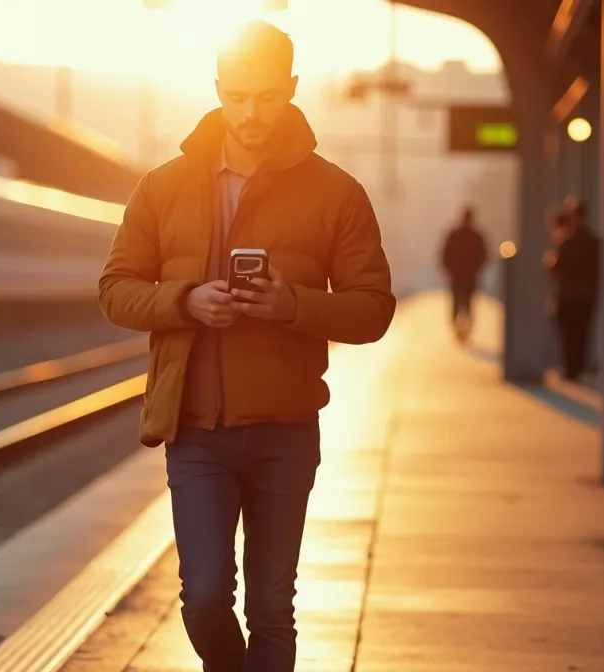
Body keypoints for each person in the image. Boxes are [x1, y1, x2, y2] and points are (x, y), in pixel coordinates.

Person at [97, 21, 395, 672]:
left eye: (265, 95)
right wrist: (184, 300)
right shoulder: (163, 186)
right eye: (237, 96)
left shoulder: (335, 193)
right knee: (203, 599)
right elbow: (115, 290)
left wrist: (294, 306)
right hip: (195, 430)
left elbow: (373, 309)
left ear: (291, 88)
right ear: (216, 91)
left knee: (271, 607)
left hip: (286, 431)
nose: (251, 112)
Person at [544, 196, 601, 381]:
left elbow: (555, 267)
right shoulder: (594, 241)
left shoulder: (566, 240)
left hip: (568, 294)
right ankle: (578, 366)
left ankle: (571, 368)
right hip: (587, 294)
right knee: (582, 331)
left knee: (568, 331)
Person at [439, 206, 488, 342]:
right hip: (470, 276)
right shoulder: (477, 235)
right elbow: (484, 255)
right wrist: (476, 268)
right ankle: (467, 329)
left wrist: (449, 270)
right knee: (468, 302)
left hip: (456, 275)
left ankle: (457, 327)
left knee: (456, 301)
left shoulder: (454, 234)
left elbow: (445, 254)